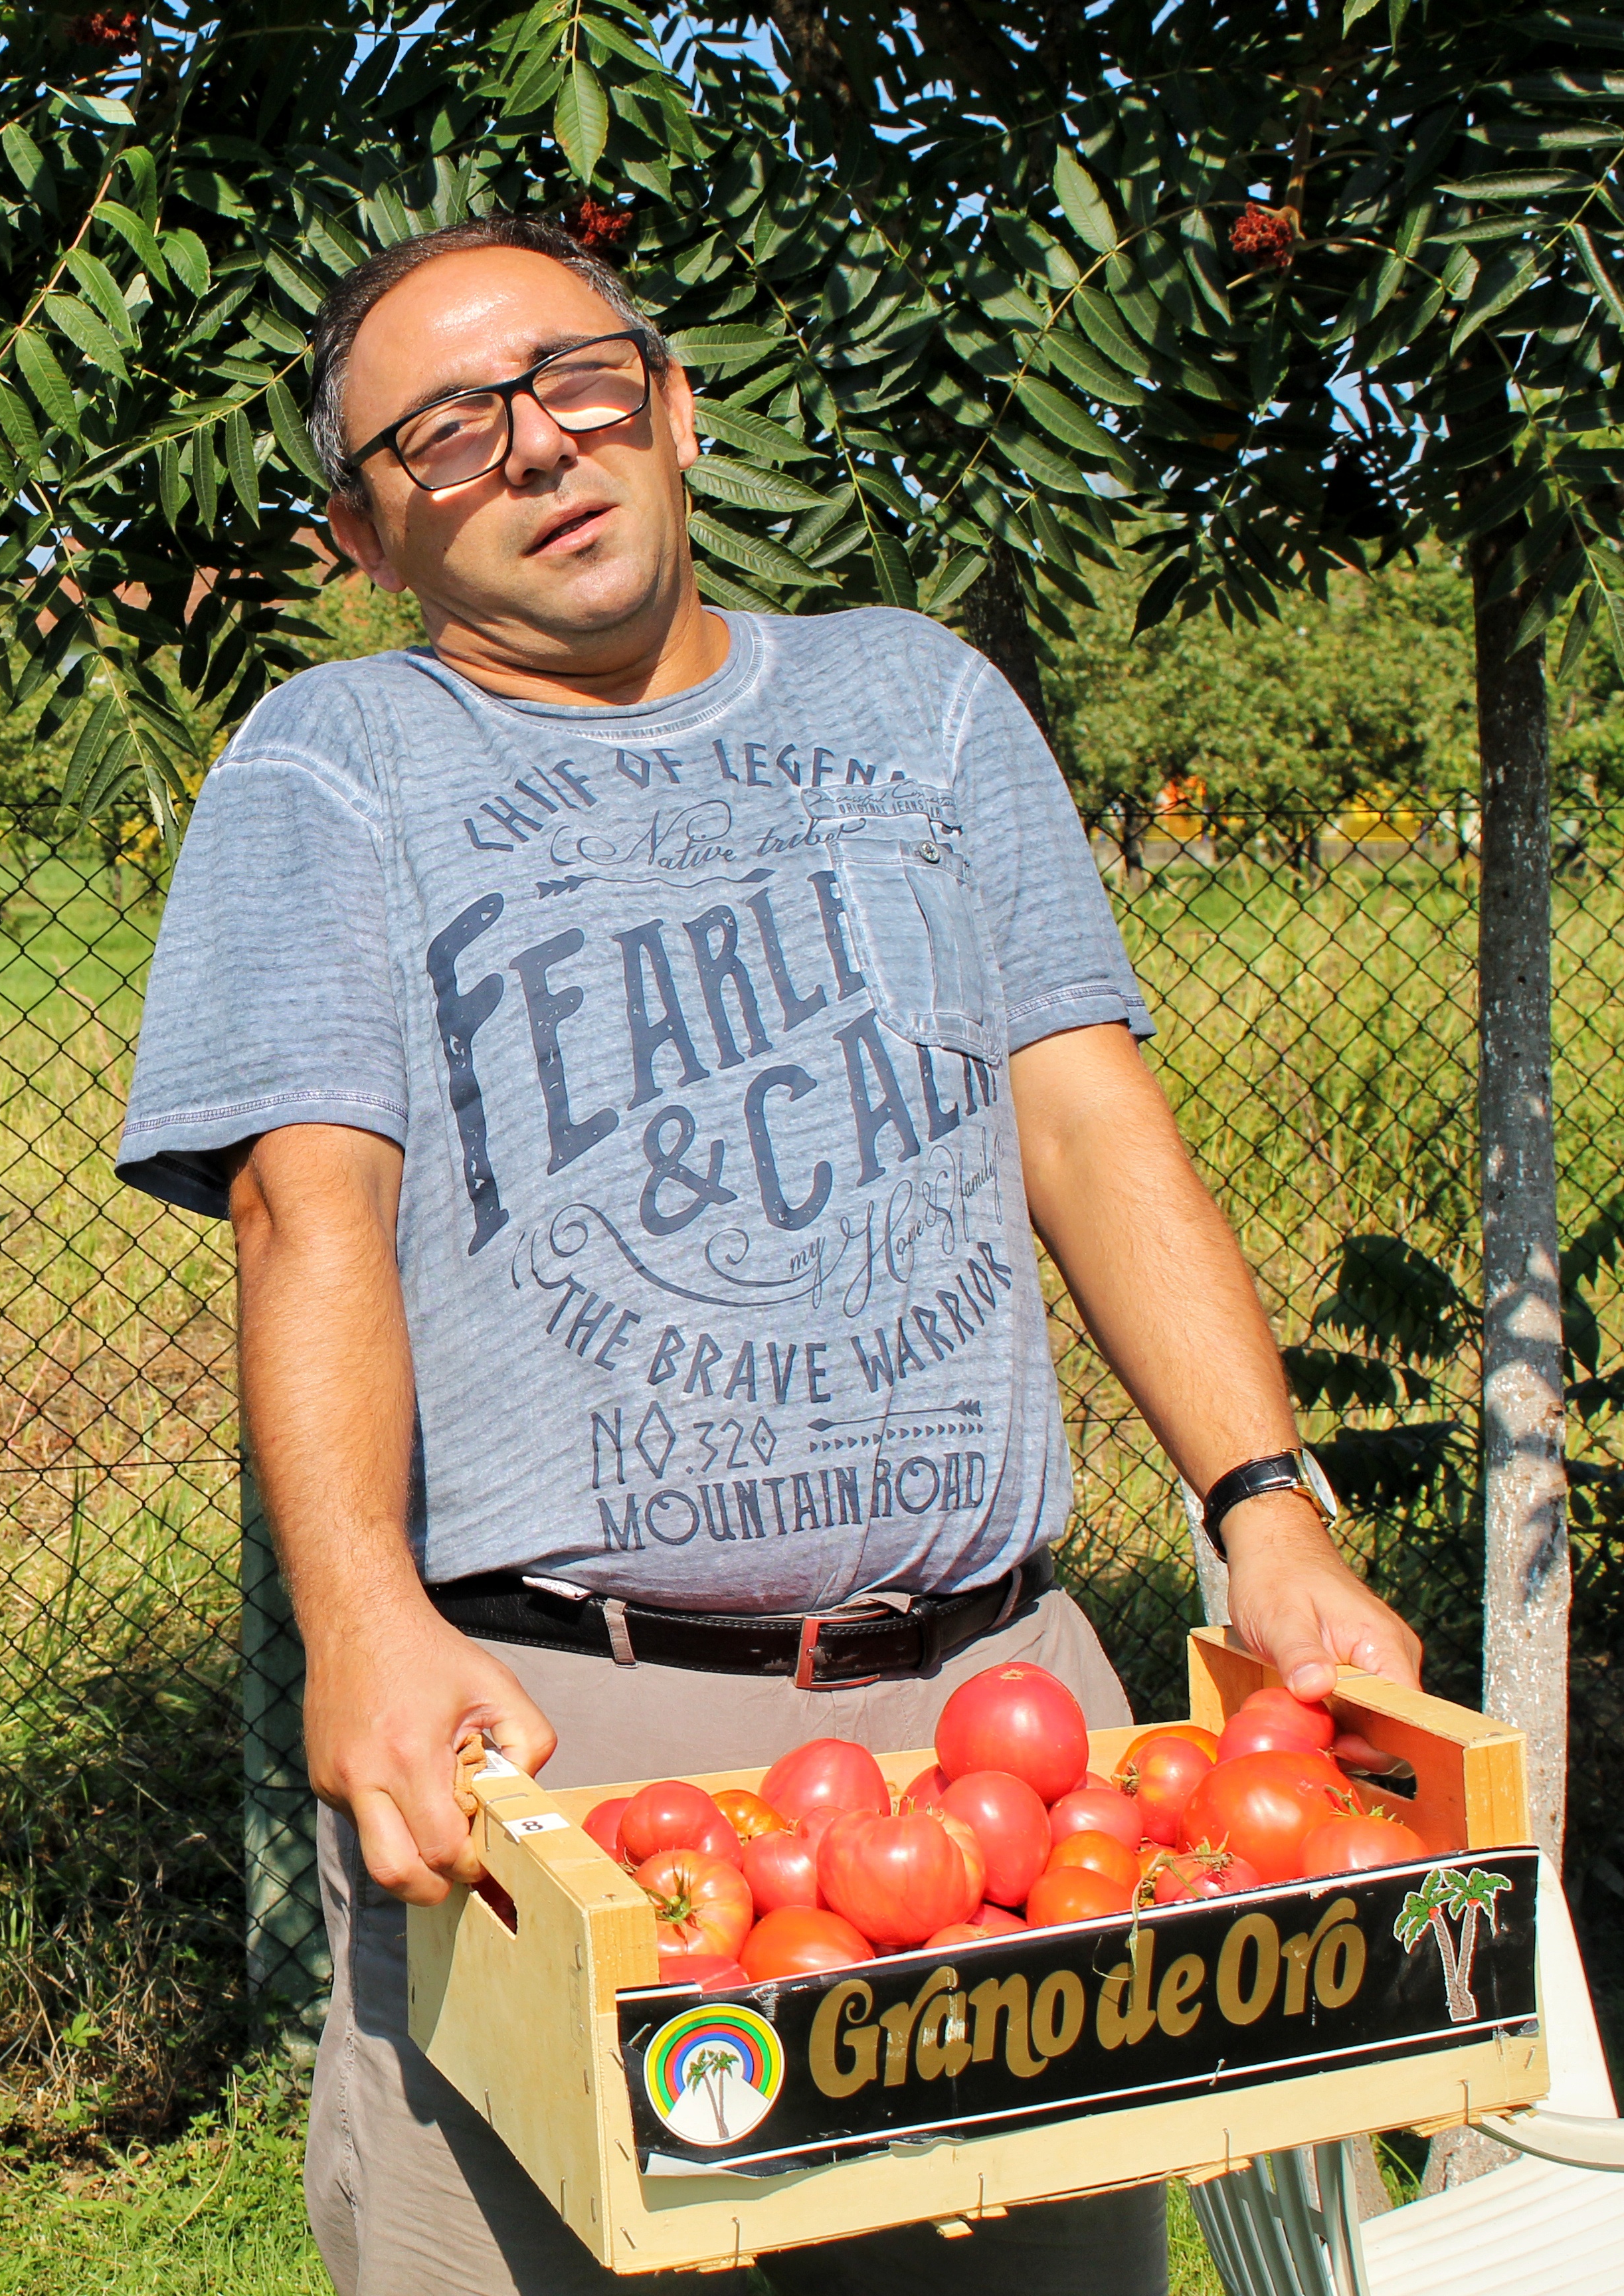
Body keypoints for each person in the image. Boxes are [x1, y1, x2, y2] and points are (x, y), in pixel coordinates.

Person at [114, 216, 1423, 2296]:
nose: (533, 447)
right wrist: (359, 1622)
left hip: (1006, 1741)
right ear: (368, 538)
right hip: (569, 1733)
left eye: (573, 379)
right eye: (444, 432)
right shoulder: (334, 764)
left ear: (676, 402)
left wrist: (1266, 1509)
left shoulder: (924, 705)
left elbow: (1086, 1120)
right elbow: (310, 1205)